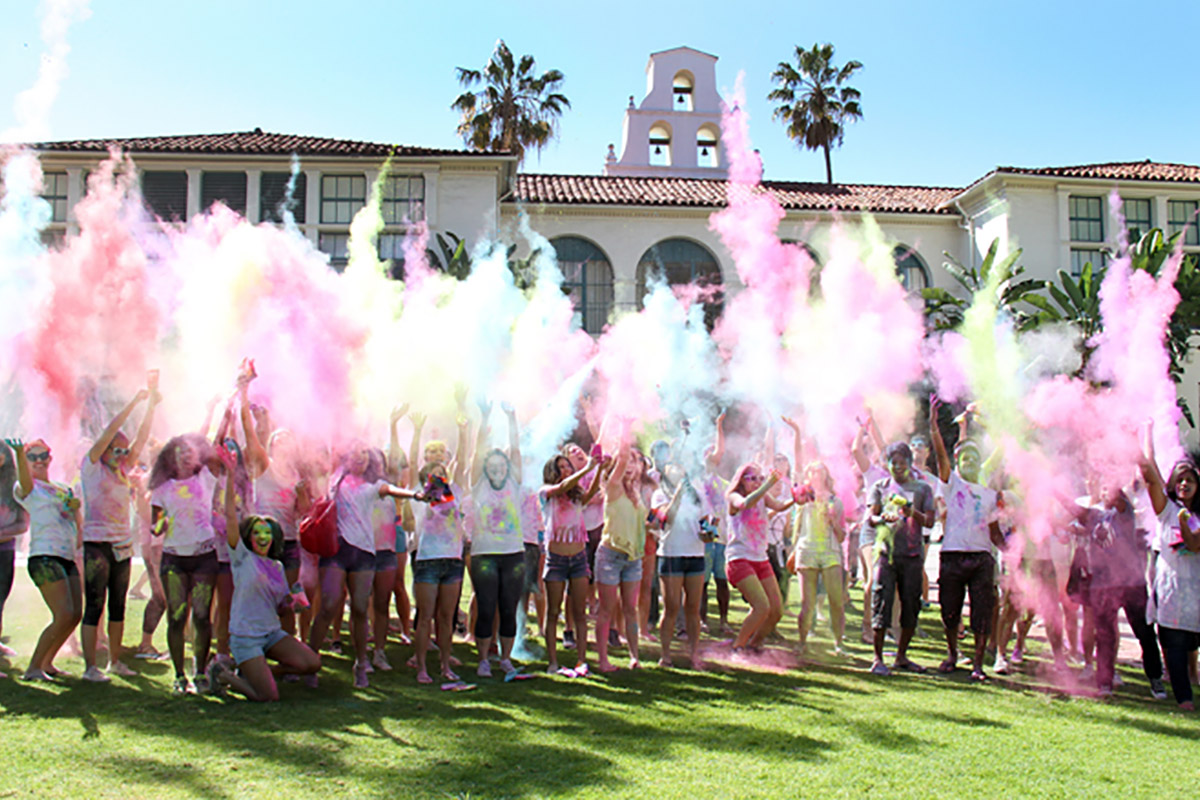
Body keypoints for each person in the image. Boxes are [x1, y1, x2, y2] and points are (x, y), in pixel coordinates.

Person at [308, 439, 427, 688]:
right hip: (336, 551)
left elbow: (393, 490)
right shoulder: (336, 476)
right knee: (327, 607)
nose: (359, 456)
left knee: (361, 608)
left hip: (363, 554)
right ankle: (310, 662)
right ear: (345, 457)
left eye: (364, 452)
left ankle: (361, 664)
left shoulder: (375, 485)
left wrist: (415, 494)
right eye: (354, 452)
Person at [206, 440, 320, 701]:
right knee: (269, 697)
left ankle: (261, 671)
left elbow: (281, 606)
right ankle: (224, 676)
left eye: (267, 534)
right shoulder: (241, 556)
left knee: (311, 664)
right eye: (257, 533)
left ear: (274, 538)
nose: (262, 538)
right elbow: (231, 516)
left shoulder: (278, 567)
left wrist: (295, 603)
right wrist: (232, 472)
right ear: (249, 536)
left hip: (271, 634)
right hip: (246, 637)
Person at [79, 375, 159, 682]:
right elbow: (111, 430)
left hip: (122, 546)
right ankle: (90, 667)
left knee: (118, 605)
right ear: (105, 449)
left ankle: (114, 662)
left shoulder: (125, 471)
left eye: (125, 452)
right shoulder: (91, 466)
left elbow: (141, 438)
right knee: (95, 604)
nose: (123, 454)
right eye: (117, 450)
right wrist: (134, 403)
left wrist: (151, 404)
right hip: (97, 544)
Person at [928, 397, 1002, 681]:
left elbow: (996, 532)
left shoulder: (989, 493)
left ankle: (978, 664)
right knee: (950, 610)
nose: (969, 461)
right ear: (958, 462)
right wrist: (934, 427)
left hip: (981, 558)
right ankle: (952, 654)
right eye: (964, 458)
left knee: (981, 613)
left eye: (974, 457)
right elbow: (940, 456)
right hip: (953, 554)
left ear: (979, 463)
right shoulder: (951, 483)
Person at [1071, 479, 1165, 699]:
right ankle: (1104, 683)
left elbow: (1120, 502)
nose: (1107, 492)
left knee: (1144, 632)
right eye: (1104, 488)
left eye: (1111, 488)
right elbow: (1072, 509)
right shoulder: (1093, 516)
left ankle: (1155, 679)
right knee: (1104, 636)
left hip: (1131, 583)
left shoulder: (1125, 513)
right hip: (1103, 586)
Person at [149, 431, 222, 694]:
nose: (185, 454)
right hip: (174, 560)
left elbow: (217, 441)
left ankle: (200, 673)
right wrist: (160, 523)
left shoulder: (206, 478)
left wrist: (224, 409)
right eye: (179, 451)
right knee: (177, 617)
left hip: (204, 557)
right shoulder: (161, 488)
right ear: (171, 458)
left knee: (202, 617)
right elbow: (155, 526)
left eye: (190, 451)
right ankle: (179, 676)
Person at [8, 438, 83, 681]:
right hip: (44, 556)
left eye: (43, 456)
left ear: (50, 458)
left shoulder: (63, 488)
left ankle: (47, 663)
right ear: (27, 463)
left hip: (66, 555)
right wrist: (19, 453)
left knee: (74, 615)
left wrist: (76, 509)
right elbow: (26, 482)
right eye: (33, 457)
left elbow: (74, 520)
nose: (39, 461)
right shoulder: (26, 488)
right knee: (62, 614)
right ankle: (33, 668)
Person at [1139, 427, 1200, 710]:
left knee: (1189, 643)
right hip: (1170, 592)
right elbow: (1149, 473)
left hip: (1196, 593)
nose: (1184, 484)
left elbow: (1195, 545)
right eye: (1180, 480)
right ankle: (1184, 697)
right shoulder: (1166, 511)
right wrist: (1144, 435)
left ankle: (1191, 674)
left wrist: (1188, 521)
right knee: (1172, 643)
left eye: (1190, 480)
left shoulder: (1196, 516)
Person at [408, 409, 469, 684]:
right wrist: (417, 431)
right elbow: (411, 463)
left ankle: (445, 666)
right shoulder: (418, 494)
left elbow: (462, 459)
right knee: (425, 618)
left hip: (453, 561)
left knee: (447, 618)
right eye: (433, 472)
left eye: (441, 471)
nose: (438, 474)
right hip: (428, 561)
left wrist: (463, 430)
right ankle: (421, 667)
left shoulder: (453, 492)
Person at [468, 402, 527, 678]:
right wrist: (485, 418)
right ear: (485, 468)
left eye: (501, 464)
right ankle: (482, 659)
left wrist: (512, 418)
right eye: (491, 465)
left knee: (508, 607)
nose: (497, 469)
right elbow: (477, 451)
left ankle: (505, 659)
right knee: (486, 605)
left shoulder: (514, 481)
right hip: (484, 555)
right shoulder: (478, 484)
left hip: (513, 554)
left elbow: (516, 452)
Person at [866, 442, 935, 676]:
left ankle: (901, 656)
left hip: (913, 555)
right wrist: (882, 518)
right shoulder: (880, 487)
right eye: (893, 462)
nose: (897, 466)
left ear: (909, 463)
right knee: (881, 603)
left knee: (911, 606)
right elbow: (870, 518)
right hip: (886, 555)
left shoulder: (922, 489)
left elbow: (930, 521)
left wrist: (910, 511)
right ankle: (877, 658)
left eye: (902, 462)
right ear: (887, 464)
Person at [541, 451, 601, 676]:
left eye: (568, 466)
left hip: (578, 558)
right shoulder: (546, 492)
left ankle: (582, 661)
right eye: (561, 467)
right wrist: (587, 469)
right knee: (553, 611)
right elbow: (561, 488)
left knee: (579, 613)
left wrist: (600, 470)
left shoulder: (576, 495)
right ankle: (552, 662)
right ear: (552, 472)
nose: (566, 470)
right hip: (556, 559)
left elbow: (591, 493)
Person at [725, 462, 794, 652]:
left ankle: (754, 644)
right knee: (762, 607)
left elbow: (779, 506)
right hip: (739, 558)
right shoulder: (733, 496)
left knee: (776, 611)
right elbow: (745, 504)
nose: (757, 482)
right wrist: (767, 485)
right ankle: (738, 646)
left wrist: (796, 499)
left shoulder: (763, 495)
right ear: (742, 481)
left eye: (760, 478)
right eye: (753, 479)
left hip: (760, 558)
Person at [594, 441, 646, 671]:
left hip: (633, 558)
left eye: (634, 462)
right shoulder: (613, 486)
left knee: (630, 610)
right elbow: (622, 458)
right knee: (606, 609)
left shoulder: (635, 492)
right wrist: (625, 429)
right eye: (625, 461)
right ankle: (603, 659)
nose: (629, 465)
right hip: (610, 556)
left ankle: (634, 657)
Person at [789, 461, 847, 657]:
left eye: (820, 472)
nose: (817, 475)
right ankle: (802, 642)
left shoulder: (835, 501)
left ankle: (838, 643)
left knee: (836, 601)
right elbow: (796, 530)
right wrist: (794, 550)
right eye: (813, 472)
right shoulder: (804, 499)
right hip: (808, 550)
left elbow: (841, 536)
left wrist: (833, 522)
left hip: (830, 551)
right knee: (807, 603)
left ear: (826, 476)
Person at [0, 441, 30, 673]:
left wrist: (2, 534)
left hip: (5, 551)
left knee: (1, 599)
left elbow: (23, 524)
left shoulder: (13, 489)